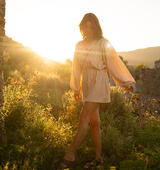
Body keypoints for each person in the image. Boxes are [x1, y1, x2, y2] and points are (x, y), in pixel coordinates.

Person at [58, 13, 135, 169]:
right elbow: (76, 68)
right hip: (86, 83)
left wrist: (126, 82)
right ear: (81, 26)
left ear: (95, 26)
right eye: (85, 25)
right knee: (94, 122)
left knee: (83, 118)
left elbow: (114, 64)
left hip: (99, 82)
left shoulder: (102, 43)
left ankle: (69, 156)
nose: (88, 28)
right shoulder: (78, 45)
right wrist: (76, 89)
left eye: (90, 25)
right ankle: (98, 159)